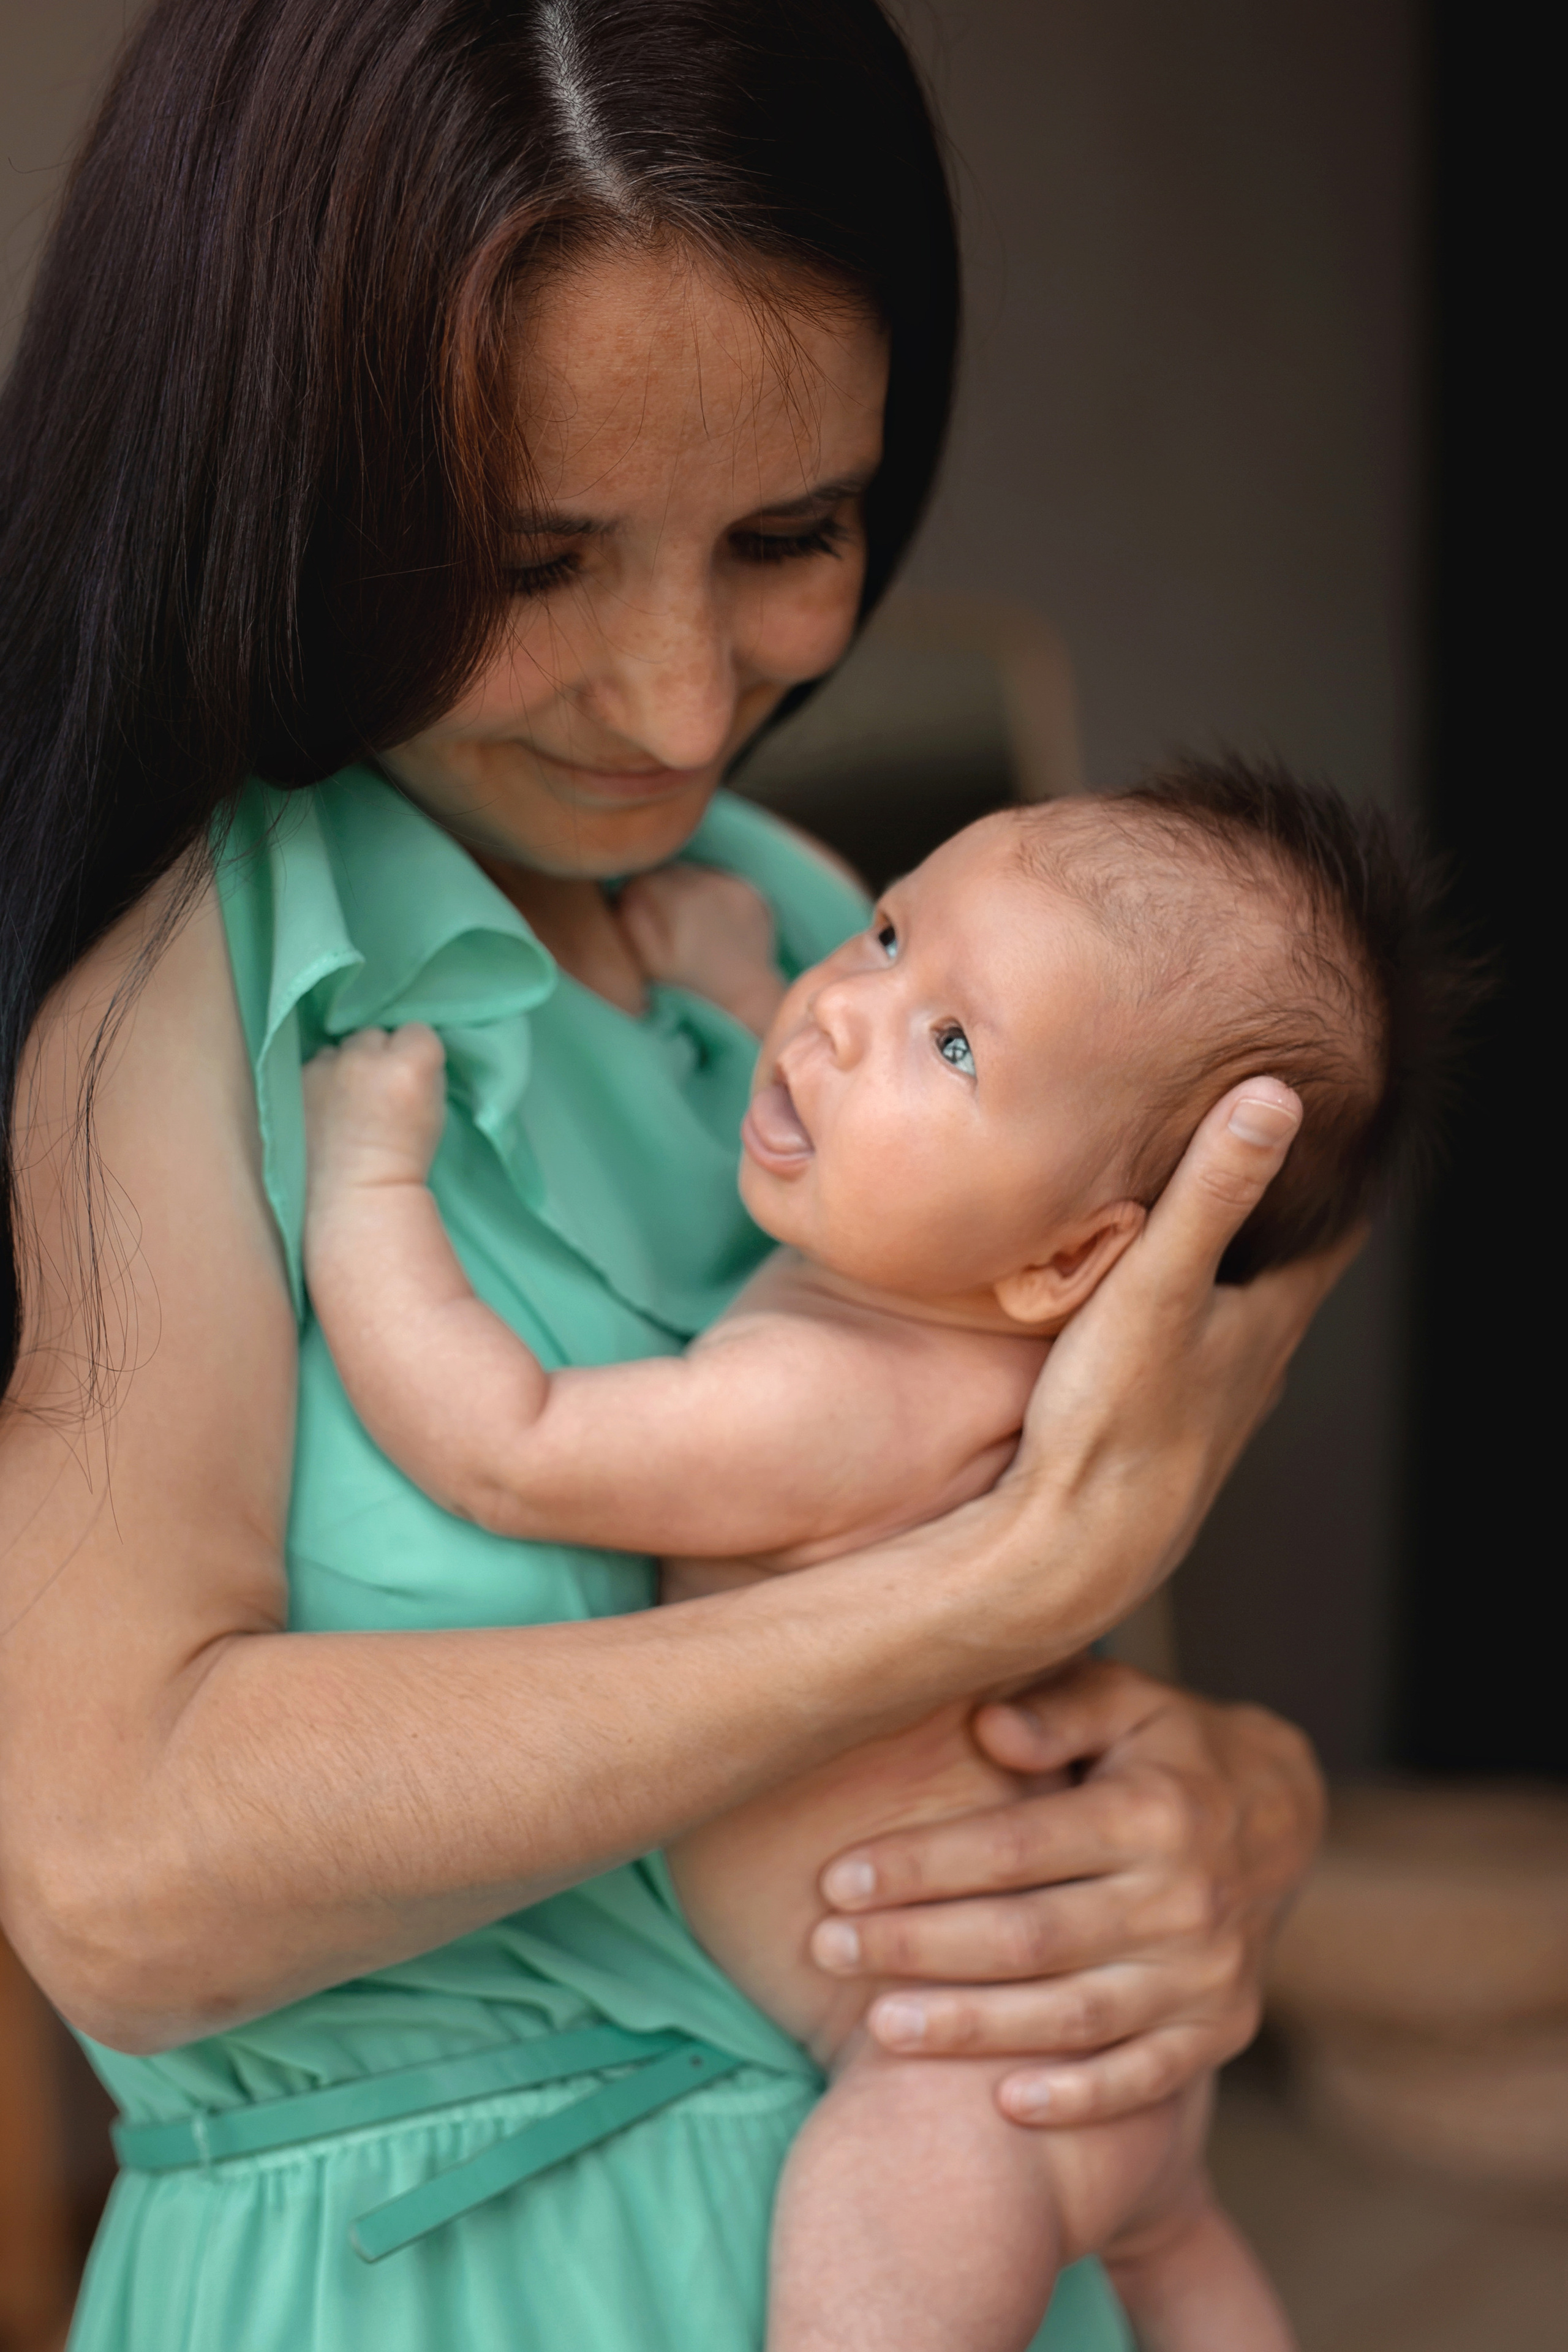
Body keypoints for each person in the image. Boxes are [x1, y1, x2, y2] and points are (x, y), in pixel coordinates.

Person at [0, 6, 1337, 2347]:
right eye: (534, 556)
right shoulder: (186, 991)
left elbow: (1017, 1671)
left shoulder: (816, 937)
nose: (683, 703)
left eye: (791, 536)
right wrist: (985, 1589)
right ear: (270, 468)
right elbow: (125, 1880)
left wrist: (1219, 1808)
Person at [302, 763, 1460, 2351]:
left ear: (1071, 1261)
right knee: (1179, 2253)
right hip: (1095, 2051)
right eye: (894, 931)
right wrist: (748, 979)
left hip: (949, 2081)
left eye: (955, 1041)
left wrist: (365, 1179)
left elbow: (508, 1442)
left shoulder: (828, 1398)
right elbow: (929, 1151)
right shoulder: (996, 1333)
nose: (846, 1010)